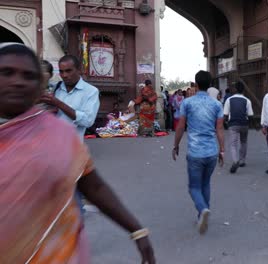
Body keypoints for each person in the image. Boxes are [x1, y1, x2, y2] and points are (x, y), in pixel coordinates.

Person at [0, 43, 156, 264]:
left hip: (70, 158)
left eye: (27, 76)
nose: (17, 82)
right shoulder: (57, 90)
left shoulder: (82, 102)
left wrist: (137, 231)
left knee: (73, 211)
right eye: (6, 73)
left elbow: (88, 123)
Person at [172, 70, 224, 235]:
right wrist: (222, 150)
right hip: (211, 152)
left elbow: (181, 127)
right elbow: (220, 130)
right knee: (206, 183)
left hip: (195, 152)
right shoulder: (217, 104)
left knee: (194, 187)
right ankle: (202, 213)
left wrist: (176, 145)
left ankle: (202, 210)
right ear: (210, 85)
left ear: (196, 84)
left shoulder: (187, 103)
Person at [40, 55, 100, 139]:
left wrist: (58, 103)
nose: (64, 75)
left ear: (79, 70)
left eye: (68, 71)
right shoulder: (56, 88)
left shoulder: (91, 91)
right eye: (61, 71)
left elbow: (88, 121)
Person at [224, 81, 254, 173]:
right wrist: (250, 124)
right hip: (244, 124)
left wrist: (226, 122)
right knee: (244, 142)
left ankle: (235, 160)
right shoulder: (247, 100)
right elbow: (250, 115)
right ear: (243, 90)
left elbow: (225, 114)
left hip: (233, 124)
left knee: (233, 144)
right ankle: (242, 161)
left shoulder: (229, 100)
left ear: (235, 89)